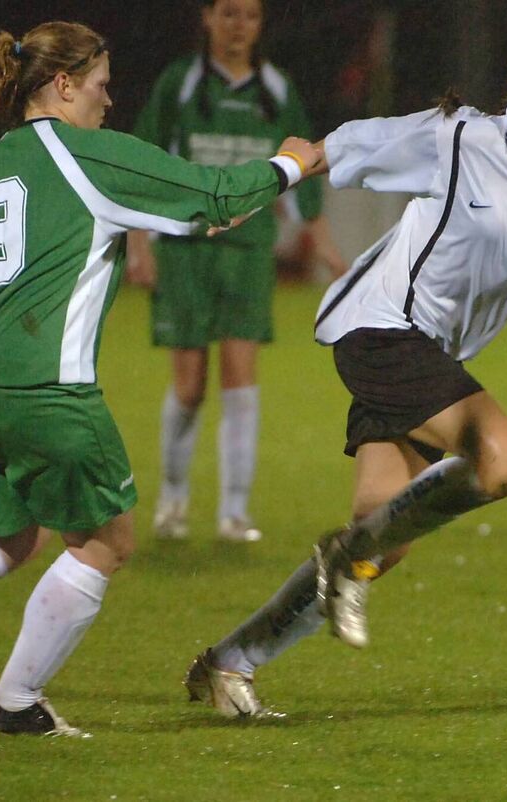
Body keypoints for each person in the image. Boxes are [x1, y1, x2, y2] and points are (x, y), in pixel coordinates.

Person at [180, 19, 507, 718]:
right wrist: (263, 182)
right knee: (505, 461)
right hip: (380, 329)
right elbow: (343, 149)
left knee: (380, 534)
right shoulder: (459, 137)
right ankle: (344, 566)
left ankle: (231, 661)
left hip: (430, 359)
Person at [0, 21, 316, 735]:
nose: (109, 101)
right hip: (48, 391)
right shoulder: (85, 156)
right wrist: (290, 166)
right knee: (106, 542)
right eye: (101, 85)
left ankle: (10, 699)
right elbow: (212, 194)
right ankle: (14, 703)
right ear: (63, 85)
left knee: (6, 537)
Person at [126, 0, 345, 544]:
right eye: (227, 13)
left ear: (260, 23)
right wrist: (137, 241)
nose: (238, 25)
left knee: (241, 378)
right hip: (185, 248)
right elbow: (141, 157)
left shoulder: (276, 89)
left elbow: (303, 166)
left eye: (248, 15)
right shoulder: (180, 83)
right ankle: (173, 501)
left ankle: (234, 512)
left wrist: (322, 244)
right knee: (191, 384)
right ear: (206, 18)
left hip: (248, 251)